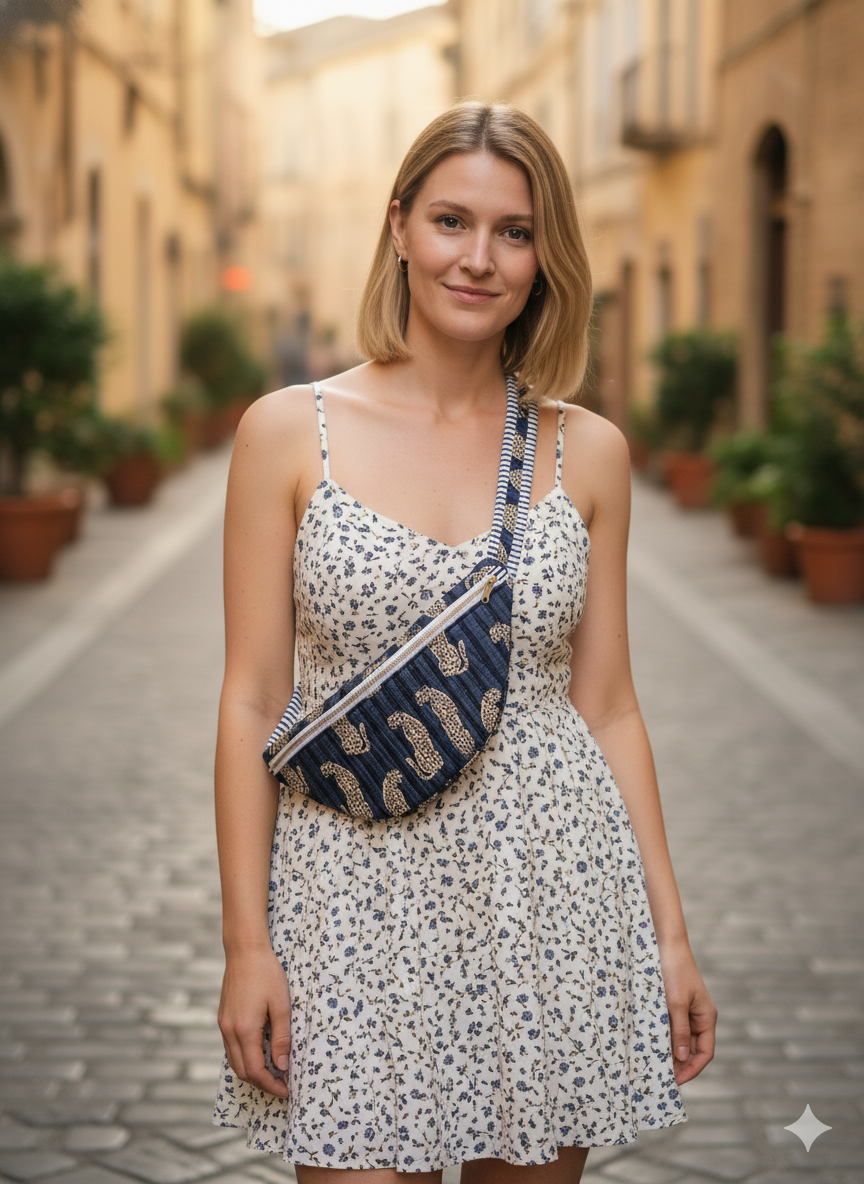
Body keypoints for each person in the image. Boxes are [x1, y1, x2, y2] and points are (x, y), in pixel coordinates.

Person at [212, 101, 717, 1184]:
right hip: (348, 888)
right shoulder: (287, 432)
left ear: (546, 255)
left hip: (549, 881)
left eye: (515, 231)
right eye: (451, 220)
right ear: (398, 227)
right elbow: (253, 698)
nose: (478, 258)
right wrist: (247, 945)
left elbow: (611, 703)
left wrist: (669, 934)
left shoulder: (592, 453)